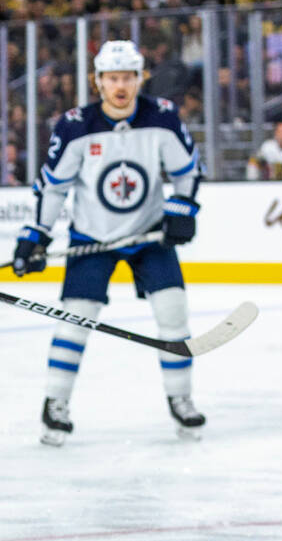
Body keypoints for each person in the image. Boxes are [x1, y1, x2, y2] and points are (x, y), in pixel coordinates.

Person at [11, 40, 205, 446]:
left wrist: (182, 209)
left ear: (140, 79)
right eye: (112, 77)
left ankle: (181, 399)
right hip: (92, 238)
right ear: (96, 81)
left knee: (173, 312)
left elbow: (187, 172)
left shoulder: (163, 117)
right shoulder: (75, 124)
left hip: (149, 235)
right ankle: (55, 403)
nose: (121, 85)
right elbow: (54, 187)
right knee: (75, 319)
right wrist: (37, 235)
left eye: (128, 77)